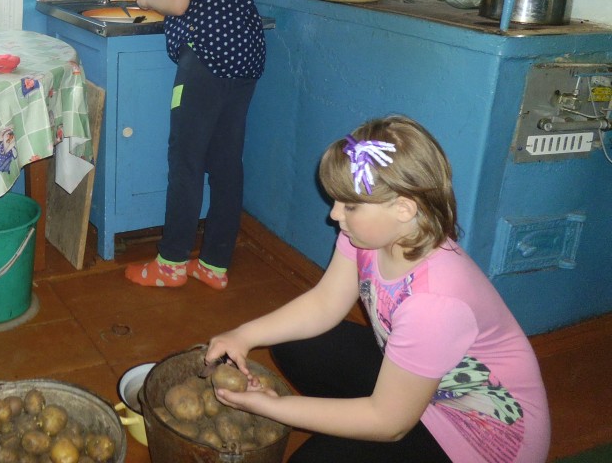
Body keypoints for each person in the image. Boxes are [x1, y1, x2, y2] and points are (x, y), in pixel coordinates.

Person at [204, 116, 551, 462]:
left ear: (403, 209)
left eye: (350, 205)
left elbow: (389, 423)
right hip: (423, 393)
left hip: (477, 440)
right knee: (294, 343)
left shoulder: (434, 303)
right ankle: (352, 424)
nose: (335, 214)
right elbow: (325, 303)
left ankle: (354, 428)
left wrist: (274, 407)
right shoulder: (368, 236)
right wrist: (244, 335)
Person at [125, 0, 266, 291]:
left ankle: (170, 264)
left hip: (206, 55)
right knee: (226, 163)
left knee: (185, 160)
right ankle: (214, 265)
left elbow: (179, 4)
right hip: (245, 51)